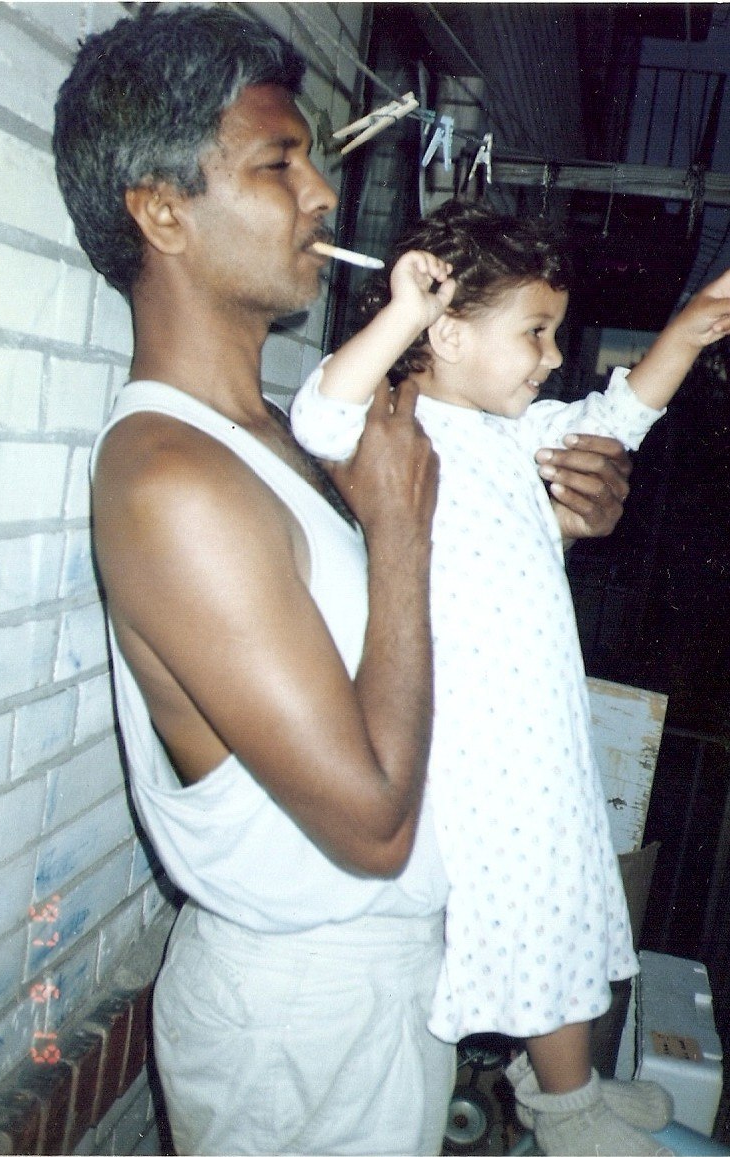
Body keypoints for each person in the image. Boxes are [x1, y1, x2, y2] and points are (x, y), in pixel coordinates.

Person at [52, 10, 636, 1155]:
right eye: (279, 163)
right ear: (161, 212)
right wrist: (400, 527)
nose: (322, 193)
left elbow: (401, 647)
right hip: (304, 1028)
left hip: (371, 996)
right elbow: (369, 821)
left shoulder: (271, 438)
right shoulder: (172, 479)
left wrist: (551, 524)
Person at [291, 200, 730, 1156]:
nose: (549, 356)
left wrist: (695, 325)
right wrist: (404, 312)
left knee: (569, 887)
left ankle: (563, 1079)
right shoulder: (394, 428)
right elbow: (317, 414)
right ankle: (567, 1111)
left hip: (538, 715)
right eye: (533, 331)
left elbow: (618, 418)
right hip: (474, 732)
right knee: (534, 898)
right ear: (447, 332)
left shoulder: (518, 431)